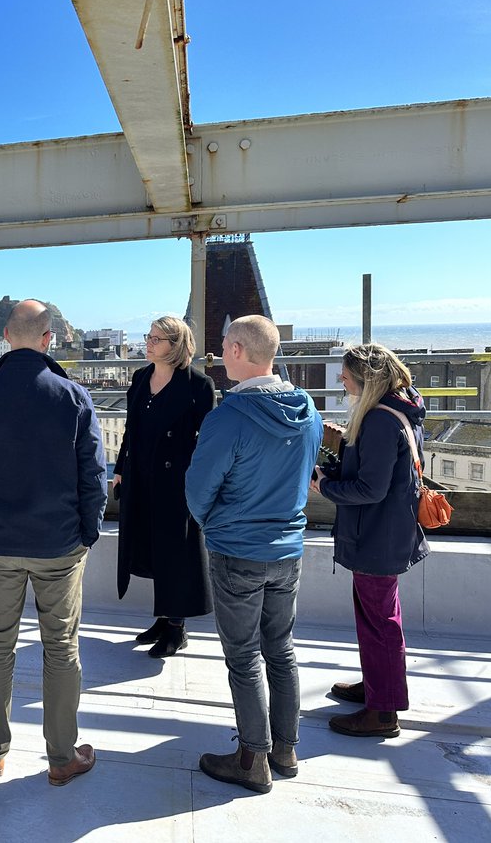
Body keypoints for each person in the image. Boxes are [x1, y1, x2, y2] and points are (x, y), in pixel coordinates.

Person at [0, 300, 107, 786]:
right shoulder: (74, 396)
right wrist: (88, 533)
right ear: (48, 339)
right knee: (61, 648)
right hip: (59, 544)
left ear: (4, 335)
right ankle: (61, 757)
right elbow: (94, 476)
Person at [186, 315, 323, 794]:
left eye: (225, 346)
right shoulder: (307, 409)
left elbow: (199, 489)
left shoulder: (227, 417)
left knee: (243, 658)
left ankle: (252, 758)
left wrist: (214, 522)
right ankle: (285, 748)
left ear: (241, 351)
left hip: (237, 549)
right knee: (280, 650)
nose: (221, 354)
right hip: (287, 549)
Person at [313, 344, 429, 739]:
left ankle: (382, 712)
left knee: (379, 623)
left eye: (345, 374)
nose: (340, 380)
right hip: (387, 532)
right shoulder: (403, 409)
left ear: (367, 378)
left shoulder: (379, 421)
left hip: (375, 536)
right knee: (378, 618)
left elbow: (369, 488)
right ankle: (379, 687)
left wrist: (325, 485)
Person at [112, 316, 216, 658]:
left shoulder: (199, 385)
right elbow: (131, 429)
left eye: (156, 339)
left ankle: (177, 628)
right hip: (141, 474)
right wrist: (119, 469)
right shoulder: (142, 378)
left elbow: (208, 442)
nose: (149, 343)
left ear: (175, 346)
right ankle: (164, 618)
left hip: (176, 481)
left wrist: (199, 483)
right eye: (149, 337)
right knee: (152, 547)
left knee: (176, 551)